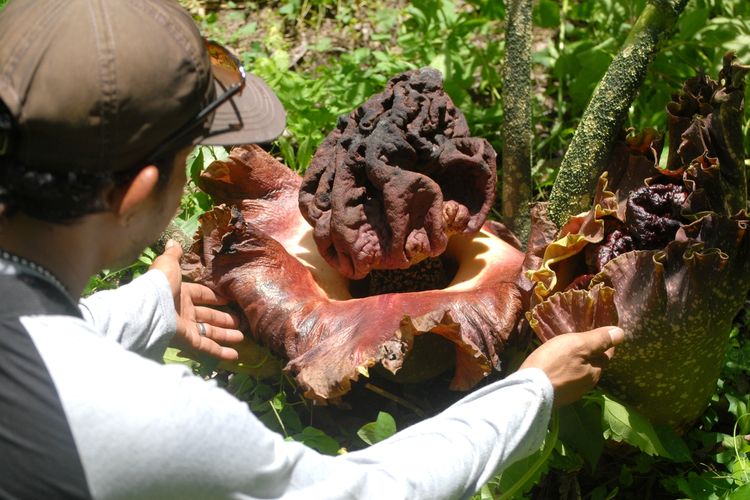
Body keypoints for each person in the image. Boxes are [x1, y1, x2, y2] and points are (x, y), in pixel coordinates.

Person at [0, 1, 625, 498]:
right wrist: (531, 392)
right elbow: (355, 490)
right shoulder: (157, 418)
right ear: (135, 191)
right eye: (187, 157)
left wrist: (145, 306)